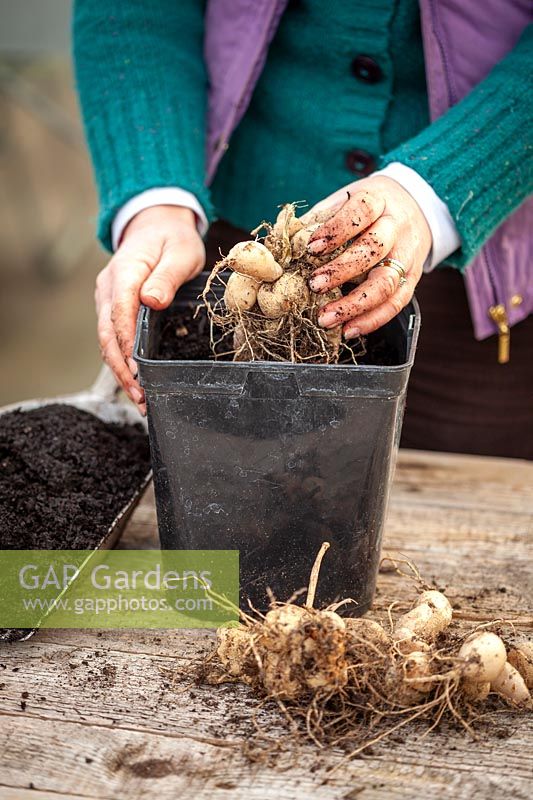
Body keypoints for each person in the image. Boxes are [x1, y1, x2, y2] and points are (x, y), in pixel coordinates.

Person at [73, 0, 533, 458]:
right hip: (219, 210)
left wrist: (437, 189)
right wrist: (156, 200)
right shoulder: (246, 270)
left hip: (488, 276)